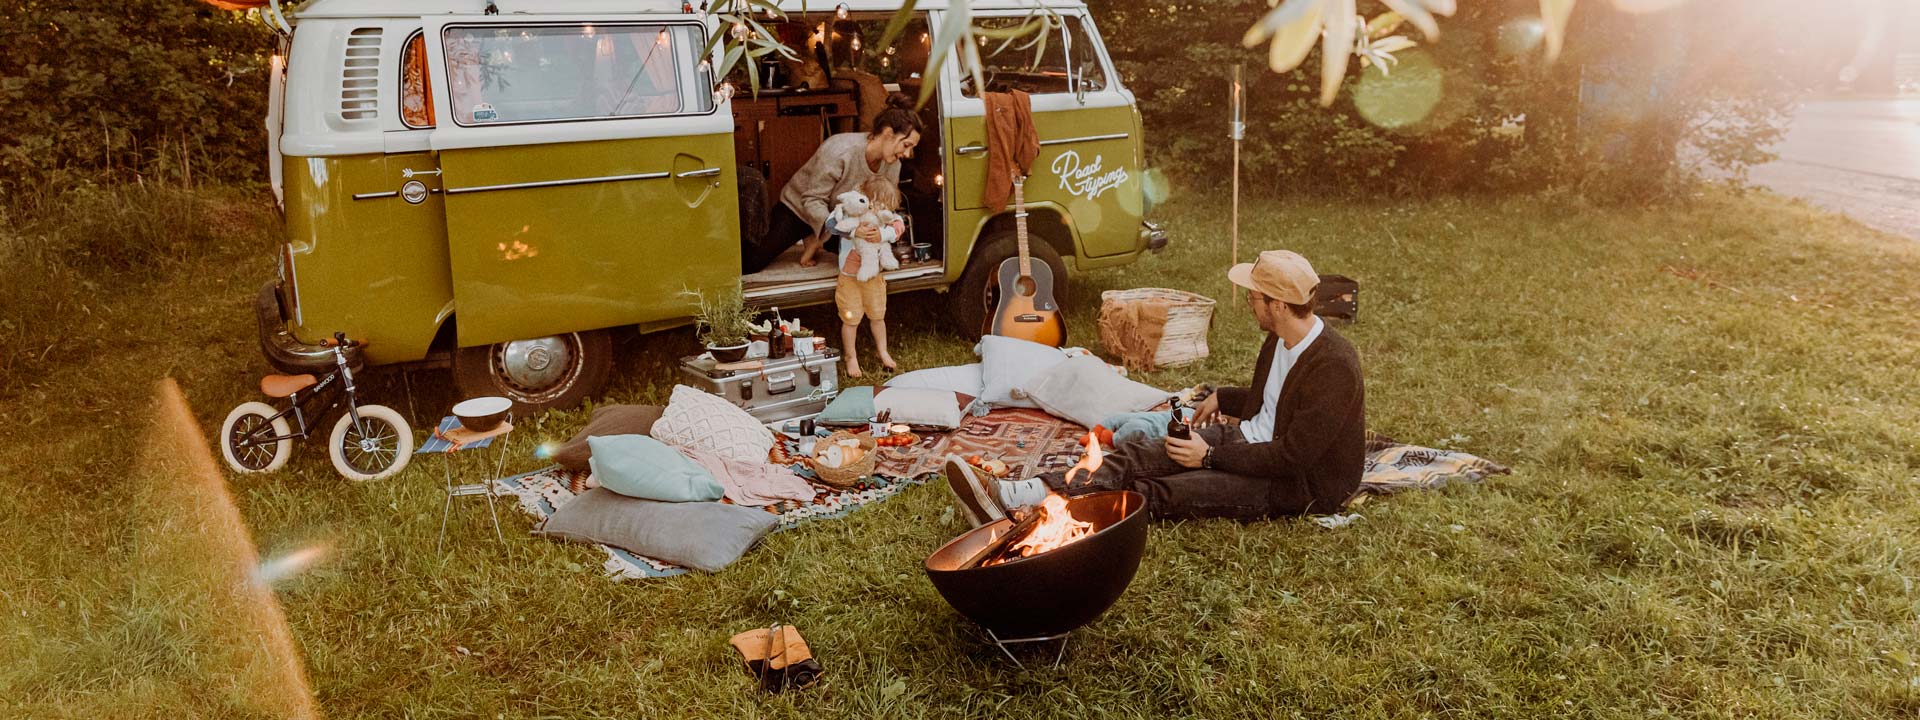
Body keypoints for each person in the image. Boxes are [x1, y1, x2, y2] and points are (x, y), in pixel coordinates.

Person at [945, 250, 1366, 523]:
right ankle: (1016, 493)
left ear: (1279, 306)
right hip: (1250, 442)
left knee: (1162, 491)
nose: (1249, 304)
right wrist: (1223, 397)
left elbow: (1294, 457)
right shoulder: (1280, 338)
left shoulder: (1334, 366)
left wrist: (1209, 457)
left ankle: (1045, 517)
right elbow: (1276, 399)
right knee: (1138, 454)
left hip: (1298, 483)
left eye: (1254, 298)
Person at [741, 93, 923, 274]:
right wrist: (845, 229)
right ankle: (813, 235)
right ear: (888, 133)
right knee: (750, 263)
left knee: (870, 261)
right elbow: (812, 200)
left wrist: (880, 230)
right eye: (906, 145)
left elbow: (885, 205)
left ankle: (818, 239)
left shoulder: (894, 165)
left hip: (846, 219)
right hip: (800, 209)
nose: (907, 154)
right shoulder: (840, 149)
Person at [833, 176, 906, 377]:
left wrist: (883, 235)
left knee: (878, 316)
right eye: (883, 203)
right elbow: (832, 224)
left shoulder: (885, 215)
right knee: (851, 319)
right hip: (850, 277)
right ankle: (851, 357)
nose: (885, 208)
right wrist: (855, 232)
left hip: (874, 277)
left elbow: (899, 225)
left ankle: (883, 351)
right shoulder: (850, 209)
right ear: (869, 199)